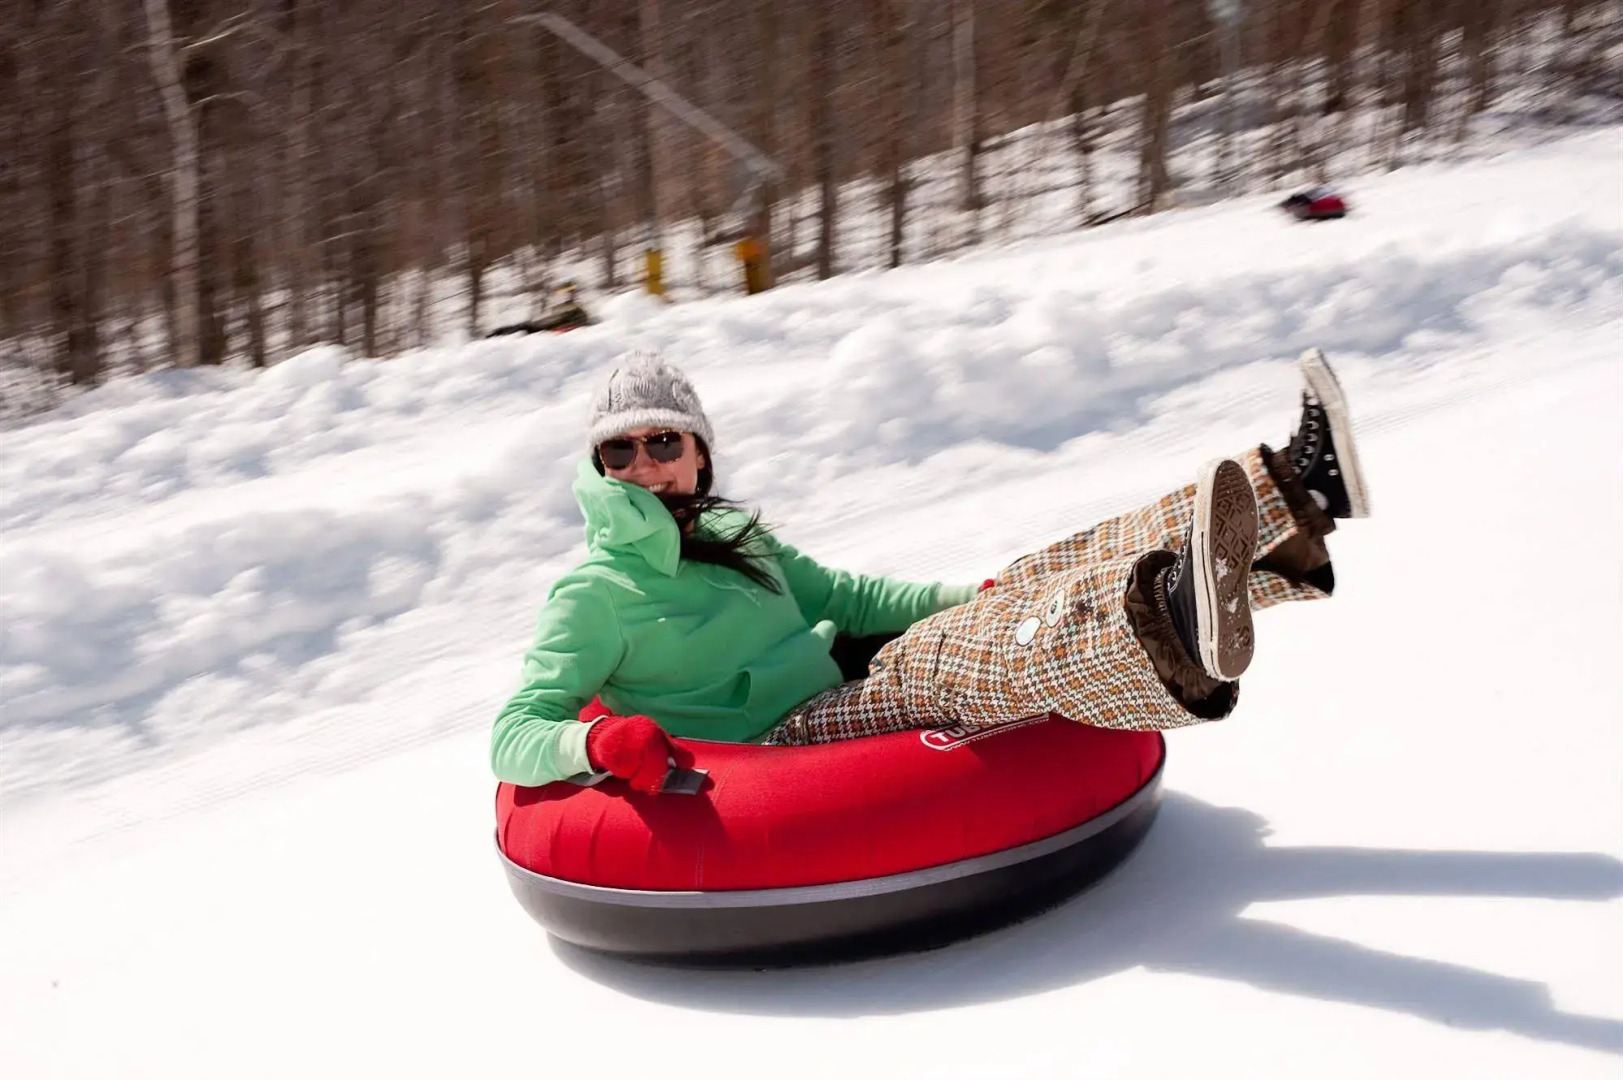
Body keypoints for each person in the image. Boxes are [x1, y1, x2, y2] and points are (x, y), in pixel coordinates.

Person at [491, 347, 1369, 792]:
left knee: (1033, 577)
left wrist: (975, 593)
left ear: (698, 453)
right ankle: (1175, 618)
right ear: (598, 466)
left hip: (837, 678)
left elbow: (846, 597)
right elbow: (514, 733)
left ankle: (1295, 489)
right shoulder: (594, 595)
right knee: (959, 660)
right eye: (621, 450)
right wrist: (595, 742)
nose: (644, 466)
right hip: (779, 745)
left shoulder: (727, 532)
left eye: (662, 442)